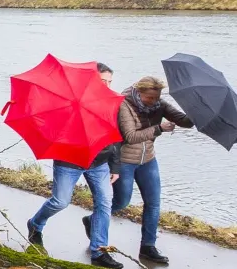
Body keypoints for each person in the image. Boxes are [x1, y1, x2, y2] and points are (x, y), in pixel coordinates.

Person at [26, 62, 123, 268]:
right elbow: (48, 130)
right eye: (102, 81)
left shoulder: (112, 103)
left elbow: (115, 137)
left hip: (99, 162)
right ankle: (35, 224)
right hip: (69, 162)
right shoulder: (66, 103)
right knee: (60, 202)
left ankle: (99, 251)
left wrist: (115, 166)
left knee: (105, 203)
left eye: (109, 82)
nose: (106, 86)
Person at [112, 75, 194, 265]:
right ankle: (93, 220)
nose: (154, 101)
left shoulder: (159, 104)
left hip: (148, 159)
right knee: (122, 202)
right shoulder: (124, 104)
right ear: (139, 92)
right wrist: (159, 128)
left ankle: (148, 247)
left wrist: (197, 111)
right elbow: (131, 136)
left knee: (154, 204)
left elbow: (185, 121)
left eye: (157, 98)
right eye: (150, 98)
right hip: (125, 159)